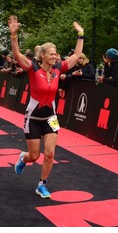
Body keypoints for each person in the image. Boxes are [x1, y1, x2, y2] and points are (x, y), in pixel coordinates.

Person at [8, 15, 84, 198]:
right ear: (42, 56)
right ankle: (23, 158)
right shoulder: (33, 69)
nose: (55, 56)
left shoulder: (59, 69)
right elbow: (17, 55)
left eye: (56, 53)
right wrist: (13, 35)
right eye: (51, 53)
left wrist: (80, 35)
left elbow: (76, 56)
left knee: (49, 154)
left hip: (51, 119)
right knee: (34, 156)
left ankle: (42, 185)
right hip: (33, 120)